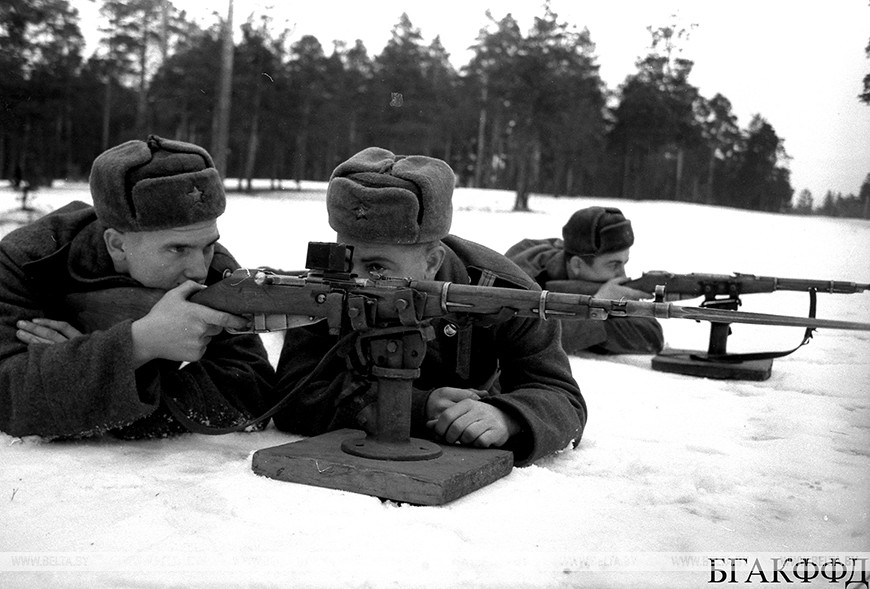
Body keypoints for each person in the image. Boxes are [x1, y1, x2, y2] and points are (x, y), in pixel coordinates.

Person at [272, 147, 587, 467]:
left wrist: (508, 418)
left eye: (377, 267)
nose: (357, 280)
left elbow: (563, 400)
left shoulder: (501, 294)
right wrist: (416, 407)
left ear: (432, 261)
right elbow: (295, 396)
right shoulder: (328, 282)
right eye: (346, 258)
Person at [0, 135, 274, 439]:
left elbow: (251, 393)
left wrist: (79, 370)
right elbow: (8, 399)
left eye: (208, 245)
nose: (199, 269)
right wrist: (138, 344)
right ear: (117, 245)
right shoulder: (26, 260)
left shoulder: (215, 265)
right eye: (177, 249)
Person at [505, 206, 664, 355]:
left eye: (624, 262)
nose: (622, 274)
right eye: (613, 264)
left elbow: (651, 335)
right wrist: (595, 308)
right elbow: (524, 338)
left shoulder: (590, 273)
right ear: (576, 265)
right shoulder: (520, 277)